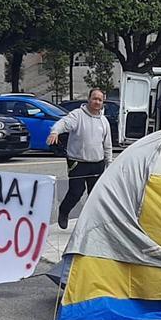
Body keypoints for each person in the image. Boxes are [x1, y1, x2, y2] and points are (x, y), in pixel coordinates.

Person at [47, 88, 113, 229]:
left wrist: (109, 163)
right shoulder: (77, 115)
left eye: (100, 100)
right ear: (89, 99)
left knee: (95, 195)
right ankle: (63, 212)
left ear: (103, 102)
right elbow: (63, 123)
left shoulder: (104, 121)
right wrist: (55, 131)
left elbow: (107, 145)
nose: (97, 102)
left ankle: (92, 223)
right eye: (94, 98)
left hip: (97, 163)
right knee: (76, 192)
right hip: (78, 163)